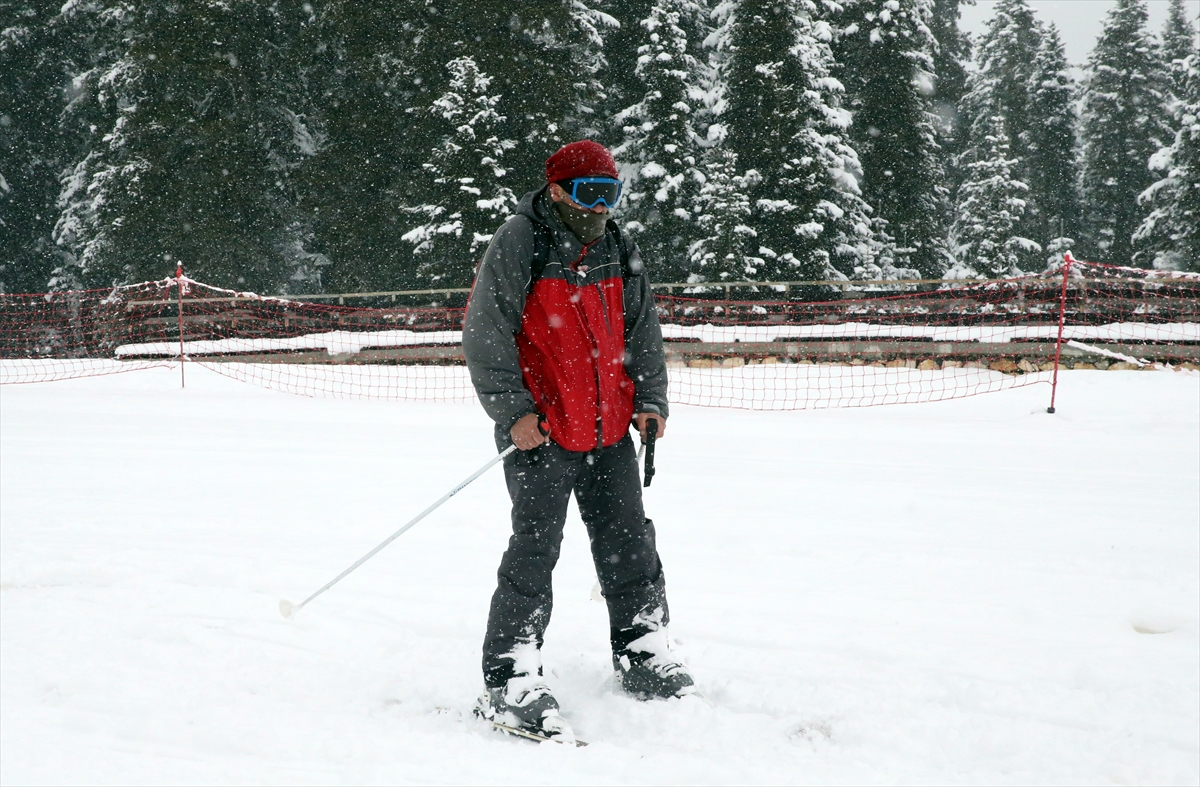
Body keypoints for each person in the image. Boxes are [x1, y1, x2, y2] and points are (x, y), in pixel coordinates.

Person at [463, 139, 694, 740]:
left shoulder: (617, 245)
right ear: (557, 190)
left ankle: (643, 649)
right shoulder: (522, 241)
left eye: (609, 193)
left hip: (610, 429)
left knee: (629, 543)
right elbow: (486, 331)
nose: (600, 206)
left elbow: (643, 330)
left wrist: (650, 400)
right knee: (534, 550)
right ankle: (510, 676)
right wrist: (513, 411)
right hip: (542, 432)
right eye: (589, 192)